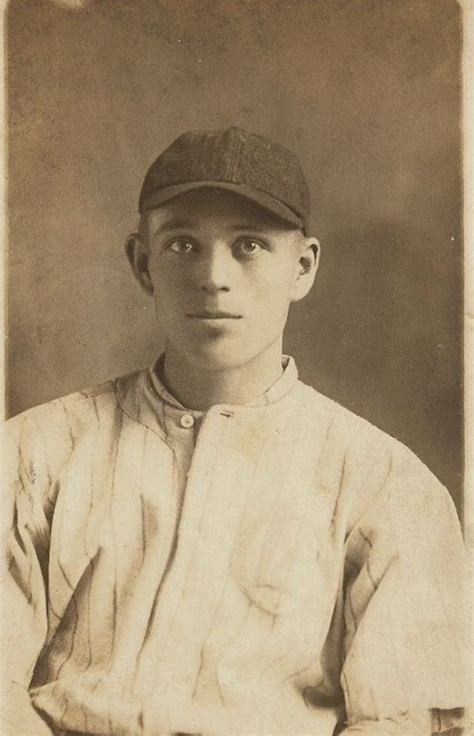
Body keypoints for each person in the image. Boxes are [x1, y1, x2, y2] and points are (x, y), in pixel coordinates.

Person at [3, 127, 466, 735]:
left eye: (248, 245)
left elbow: (403, 721)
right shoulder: (34, 453)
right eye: (182, 246)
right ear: (143, 264)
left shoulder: (386, 485)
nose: (213, 276)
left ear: (302, 267)